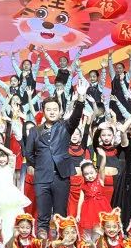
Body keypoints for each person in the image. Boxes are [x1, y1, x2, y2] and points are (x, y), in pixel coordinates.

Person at [23, 77, 89, 237]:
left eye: (55, 109)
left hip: (61, 177)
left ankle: (61, 244)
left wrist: (81, 98)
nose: (52, 112)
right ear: (43, 111)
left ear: (59, 111)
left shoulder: (65, 126)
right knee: (43, 216)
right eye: (48, 109)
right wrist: (41, 165)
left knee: (60, 215)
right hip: (42, 178)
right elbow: (29, 153)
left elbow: (76, 116)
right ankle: (42, 244)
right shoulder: (35, 130)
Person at [0, 133, 30, 248]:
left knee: (11, 221)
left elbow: (12, 154)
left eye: (3, 156)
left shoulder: (10, 168)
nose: (1, 159)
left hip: (10, 198)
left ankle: (11, 245)